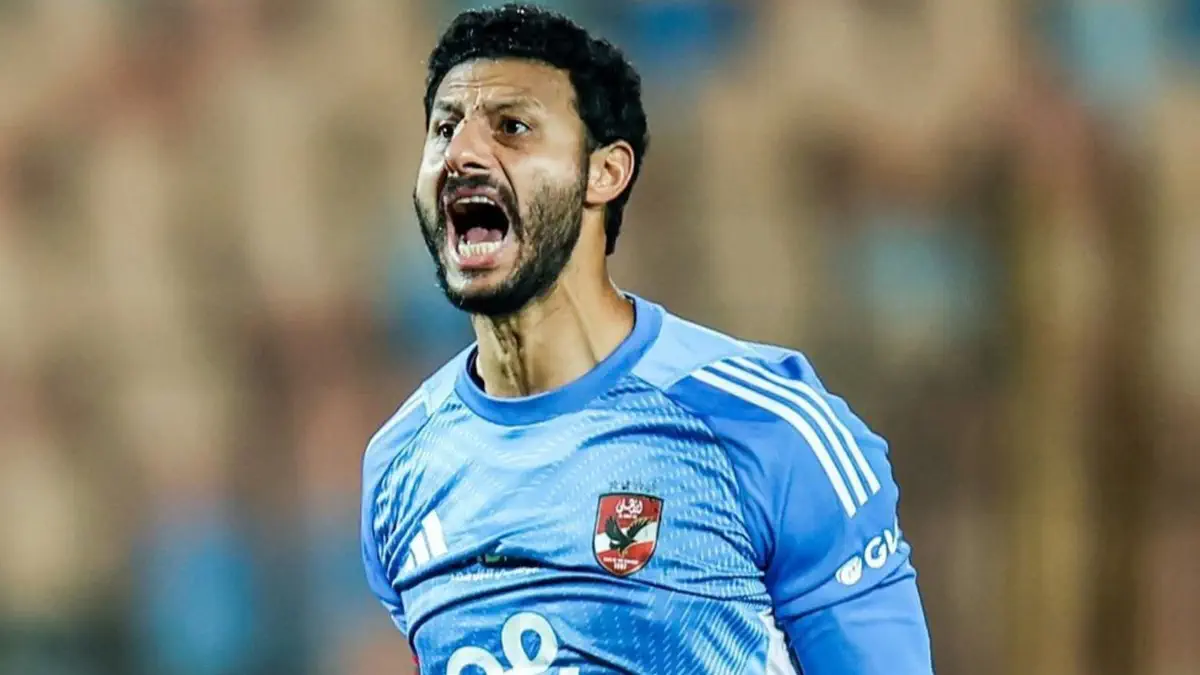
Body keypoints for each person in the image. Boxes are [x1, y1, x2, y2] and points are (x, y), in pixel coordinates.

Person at [361, 5, 934, 673]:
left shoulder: (766, 429)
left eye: (512, 128)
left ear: (605, 172)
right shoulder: (401, 466)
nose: (461, 154)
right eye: (445, 129)